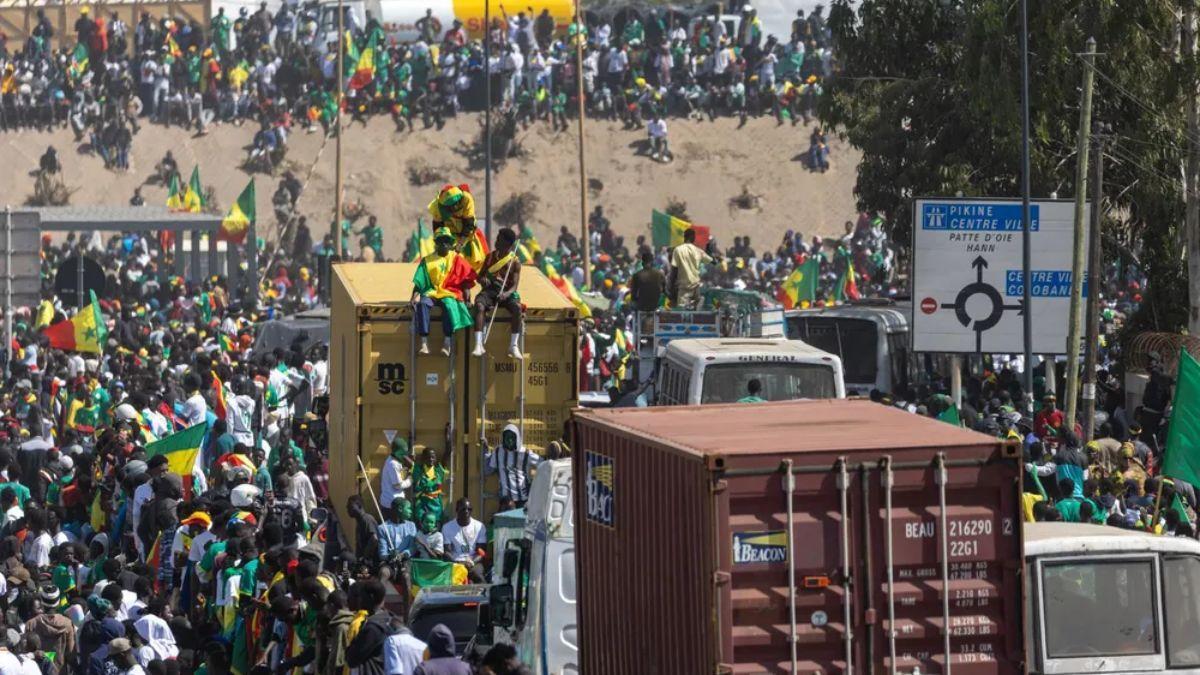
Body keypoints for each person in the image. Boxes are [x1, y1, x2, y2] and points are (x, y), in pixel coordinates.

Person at [411, 227, 477, 355]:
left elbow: (466, 282)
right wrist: (413, 297)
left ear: (451, 243)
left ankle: (447, 343)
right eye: (441, 241)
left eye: (447, 241)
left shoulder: (457, 259)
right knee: (423, 304)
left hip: (449, 292)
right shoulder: (427, 260)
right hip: (432, 292)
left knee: (449, 306)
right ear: (436, 243)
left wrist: (468, 299)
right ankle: (424, 343)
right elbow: (419, 282)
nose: (444, 244)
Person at [472, 227, 524, 359]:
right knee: (479, 305)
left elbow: (514, 286)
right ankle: (478, 344)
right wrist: (482, 280)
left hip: (505, 293)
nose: (495, 241)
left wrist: (506, 295)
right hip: (489, 291)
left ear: (507, 243)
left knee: (517, 308)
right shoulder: (490, 257)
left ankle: (513, 345)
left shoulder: (515, 262)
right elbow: (479, 276)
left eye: (499, 239)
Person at [483, 424, 541, 507]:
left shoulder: (525, 453)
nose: (509, 440)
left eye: (512, 438)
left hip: (523, 498)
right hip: (506, 500)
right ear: (503, 438)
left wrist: (533, 485)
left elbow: (544, 465)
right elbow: (488, 470)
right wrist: (485, 451)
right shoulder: (498, 451)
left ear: (517, 438)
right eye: (507, 437)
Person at [441, 498, 486, 583]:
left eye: (469, 509)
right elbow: (447, 552)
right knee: (451, 580)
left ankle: (485, 595)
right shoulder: (447, 527)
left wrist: (472, 562)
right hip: (455, 561)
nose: (466, 511)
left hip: (474, 561)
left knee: (478, 576)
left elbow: (482, 552)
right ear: (457, 510)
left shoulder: (479, 526)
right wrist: (458, 563)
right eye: (463, 509)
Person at [669, 228, 714, 309]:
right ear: (691, 237)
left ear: (685, 237)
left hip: (684, 287)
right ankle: (698, 302)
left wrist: (671, 286)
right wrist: (709, 251)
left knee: (681, 310)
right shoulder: (698, 251)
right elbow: (712, 261)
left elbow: (674, 269)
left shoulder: (678, 250)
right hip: (696, 285)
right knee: (696, 310)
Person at [379, 438, 412, 510]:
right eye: (403, 453)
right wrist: (410, 480)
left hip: (394, 502)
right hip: (392, 504)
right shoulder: (393, 464)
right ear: (398, 453)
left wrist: (407, 468)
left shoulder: (394, 460)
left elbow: (401, 477)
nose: (405, 455)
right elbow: (398, 486)